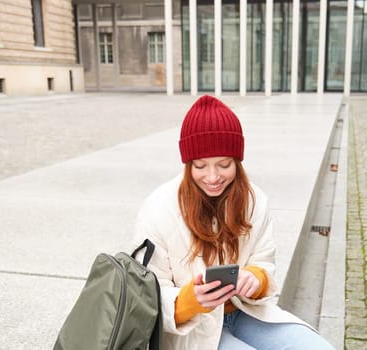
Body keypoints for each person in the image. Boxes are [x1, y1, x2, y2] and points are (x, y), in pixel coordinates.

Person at [133, 95, 335, 350]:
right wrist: (189, 300)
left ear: (237, 161)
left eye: (224, 164)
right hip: (192, 329)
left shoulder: (255, 201)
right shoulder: (158, 208)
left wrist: (256, 277)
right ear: (188, 164)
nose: (213, 176)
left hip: (245, 311)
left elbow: (264, 261)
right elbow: (146, 295)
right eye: (200, 165)